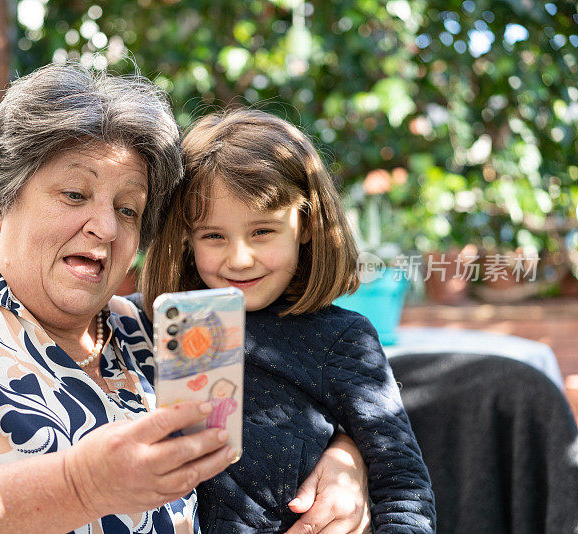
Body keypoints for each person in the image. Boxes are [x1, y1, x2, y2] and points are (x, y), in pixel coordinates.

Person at [0, 64, 371, 533]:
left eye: (128, 209)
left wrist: (347, 458)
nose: (106, 228)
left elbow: (294, 400)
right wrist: (82, 486)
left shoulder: (156, 333)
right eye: (73, 194)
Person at [141, 109, 436, 532]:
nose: (239, 258)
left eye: (262, 231)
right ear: (186, 238)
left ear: (307, 225)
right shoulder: (153, 323)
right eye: (213, 236)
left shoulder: (342, 339)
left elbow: (403, 484)